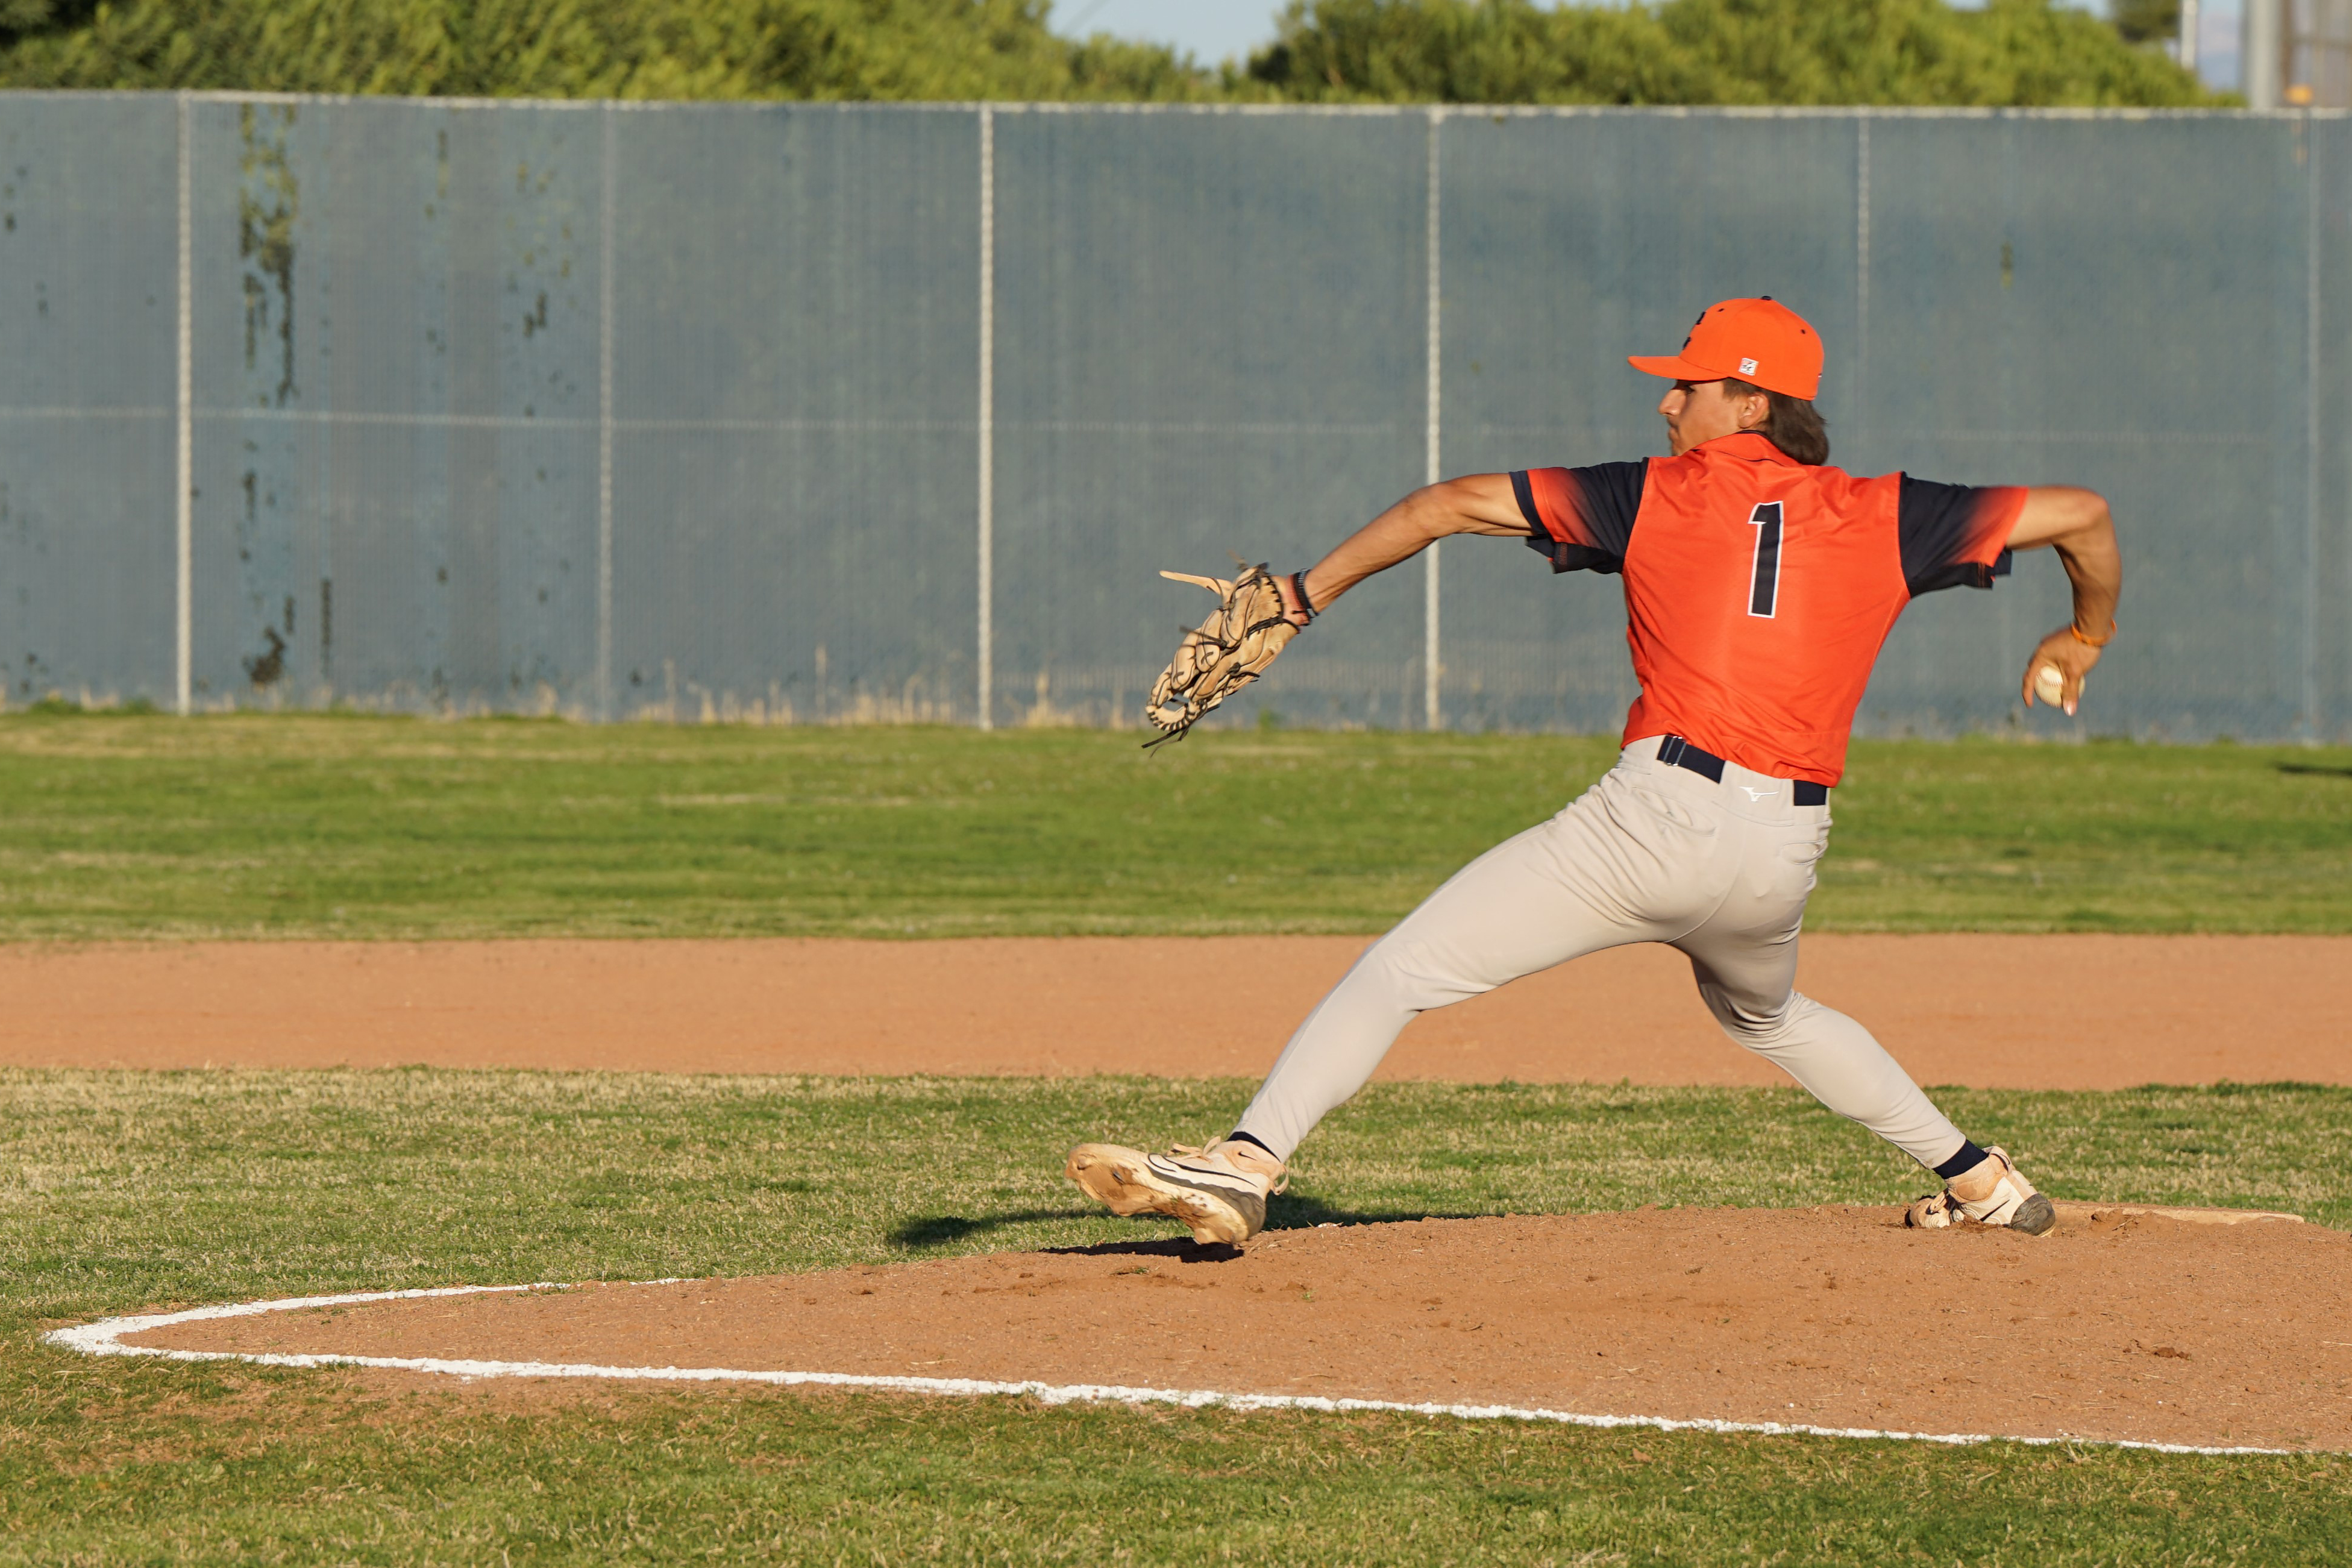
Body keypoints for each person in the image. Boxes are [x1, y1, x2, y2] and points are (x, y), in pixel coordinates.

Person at [1066, 296, 2121, 1246]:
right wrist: (2083, 634)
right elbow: (2083, 514)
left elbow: (1446, 504)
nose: (1667, 404)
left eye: (1689, 384)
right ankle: (1980, 1179)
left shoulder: (1653, 494)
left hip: (1654, 822)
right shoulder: (1889, 511)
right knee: (1770, 1017)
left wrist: (1302, 594)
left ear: (1750, 404)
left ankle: (1247, 1166)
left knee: (1401, 970)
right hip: (1784, 849)